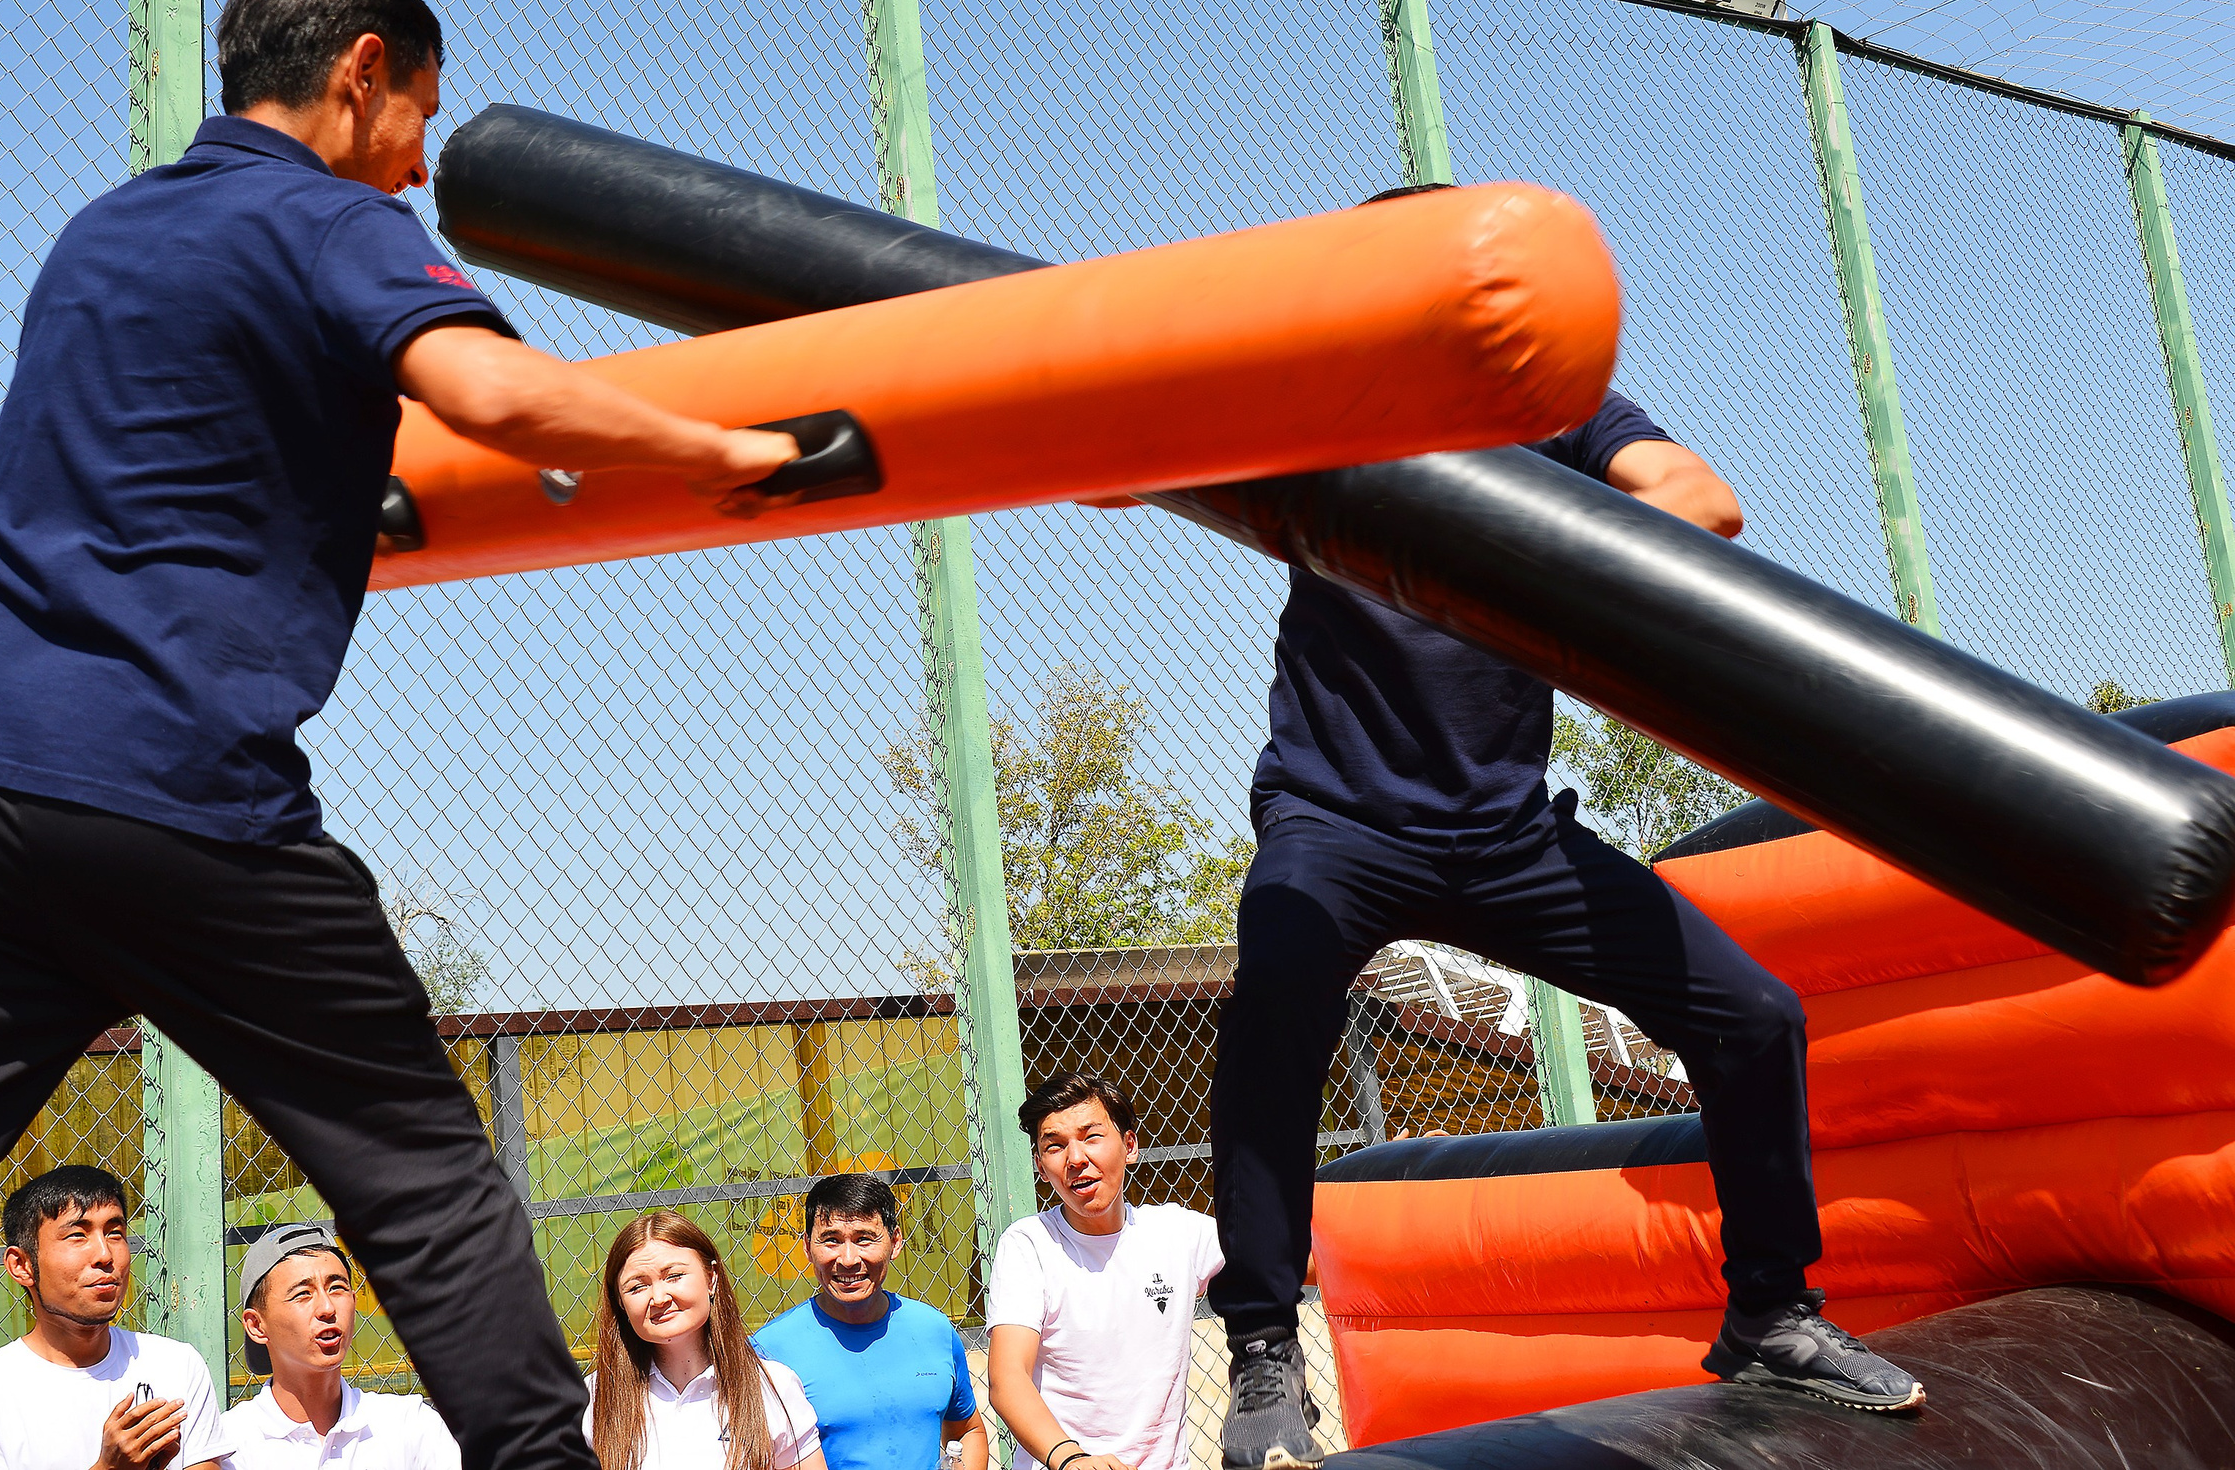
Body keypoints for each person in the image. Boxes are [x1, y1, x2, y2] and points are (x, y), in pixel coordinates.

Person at [0, 0, 800, 1470]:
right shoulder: (331, 217)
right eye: (418, 111)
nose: (421, 157)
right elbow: (492, 391)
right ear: (358, 73)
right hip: (176, 789)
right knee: (420, 1176)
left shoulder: (103, 232)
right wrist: (711, 444)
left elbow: (189, 453)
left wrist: (355, 501)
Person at [1209, 392, 1924, 1470]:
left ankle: (1772, 1311)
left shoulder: (1554, 418)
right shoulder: (1327, 407)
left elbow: (1702, 502)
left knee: (1752, 1013)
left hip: (1508, 836)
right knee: (1273, 997)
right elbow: (1138, 458)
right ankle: (1265, 1347)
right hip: (1338, 822)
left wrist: (1536, 526)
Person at [985, 1074, 1221, 1470]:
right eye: (1055, 1146)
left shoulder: (1178, 1232)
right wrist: (1070, 1458)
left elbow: (1292, 1263)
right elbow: (1007, 1379)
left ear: (1129, 1146)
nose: (1075, 1159)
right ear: (1042, 1167)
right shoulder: (1028, 1244)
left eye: (1091, 1136)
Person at [0, 1166, 231, 1470]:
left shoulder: (175, 1365)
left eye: (115, 1233)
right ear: (21, 1265)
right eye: (77, 1235)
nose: (104, 1255)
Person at [754, 1174, 987, 1470]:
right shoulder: (770, 1351)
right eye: (831, 1240)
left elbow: (967, 1429)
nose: (848, 1259)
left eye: (864, 1238)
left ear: (895, 1242)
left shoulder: (934, 1330)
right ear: (806, 1247)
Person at [584, 1212, 824, 1470]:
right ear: (620, 1302)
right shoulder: (592, 1400)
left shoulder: (774, 1386)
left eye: (674, 1276)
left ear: (711, 1278)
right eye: (637, 1287)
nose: (659, 1297)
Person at [225, 1222, 460, 1470]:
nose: (327, 1309)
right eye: (303, 1294)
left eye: (337, 1288)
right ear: (256, 1326)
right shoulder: (229, 1446)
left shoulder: (409, 1427)